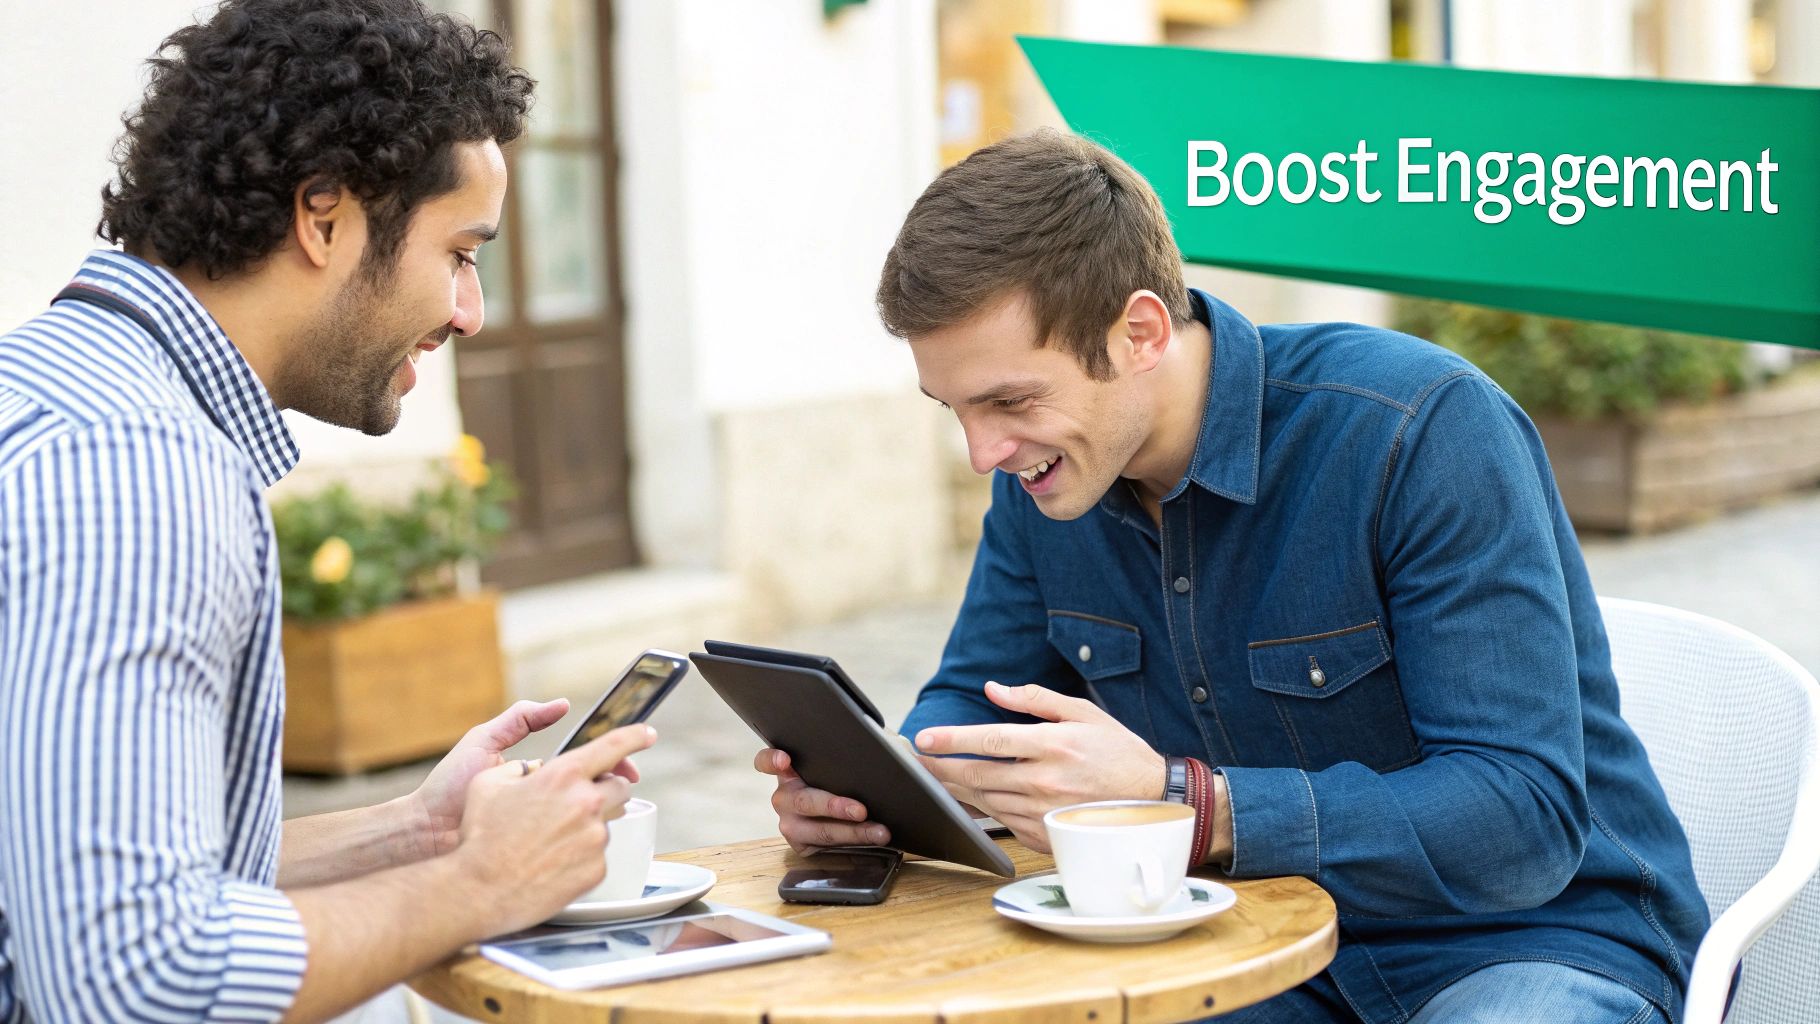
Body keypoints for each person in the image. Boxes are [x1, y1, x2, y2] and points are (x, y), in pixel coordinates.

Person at [757, 129, 1709, 1023]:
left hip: (1532, 947)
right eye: (954, 408)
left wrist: (1186, 801)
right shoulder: (1045, 478)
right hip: (1240, 947)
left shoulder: (1417, 429)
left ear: (1138, 334)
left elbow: (1520, 819)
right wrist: (886, 792)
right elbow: (976, 706)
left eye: (1010, 400)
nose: (982, 452)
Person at [0, 3, 653, 1021]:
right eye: (460, 252)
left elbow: (86, 876)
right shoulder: (138, 471)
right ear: (323, 216)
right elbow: (133, 984)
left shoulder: (58, 389)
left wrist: (418, 832)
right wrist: (483, 883)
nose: (469, 312)